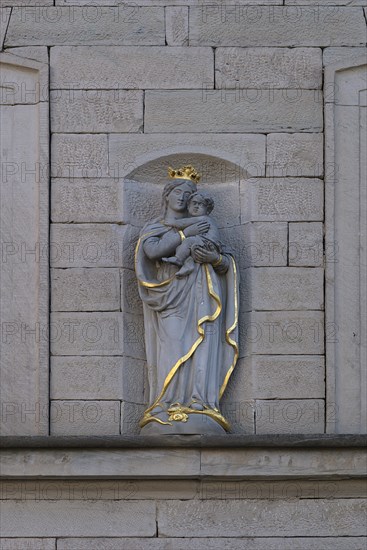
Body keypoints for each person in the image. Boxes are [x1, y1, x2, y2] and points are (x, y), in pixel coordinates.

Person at [135, 166, 239, 434]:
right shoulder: (157, 227)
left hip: (204, 292)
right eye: (178, 191)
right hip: (172, 295)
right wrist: (185, 234)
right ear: (167, 195)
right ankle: (166, 403)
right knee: (172, 344)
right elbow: (153, 250)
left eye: (189, 194)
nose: (183, 197)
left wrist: (214, 259)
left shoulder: (205, 223)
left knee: (204, 342)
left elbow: (225, 262)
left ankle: (200, 403)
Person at [162, 191, 222, 279]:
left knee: (188, 241)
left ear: (207, 210)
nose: (196, 207)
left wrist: (173, 222)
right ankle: (188, 265)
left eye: (201, 204)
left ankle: (178, 259)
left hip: (208, 244)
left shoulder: (204, 219)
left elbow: (184, 223)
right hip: (201, 244)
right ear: (188, 205)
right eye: (194, 203)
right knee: (182, 247)